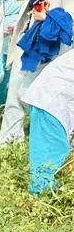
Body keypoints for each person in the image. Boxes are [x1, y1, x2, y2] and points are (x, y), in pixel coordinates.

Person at [0, 0, 74, 145]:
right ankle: (8, 141)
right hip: (28, 41)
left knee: (36, 95)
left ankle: (55, 139)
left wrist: (47, 15)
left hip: (49, 48)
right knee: (14, 90)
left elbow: (70, 18)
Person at [23, 46, 74, 194]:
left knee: (55, 156)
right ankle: (39, 208)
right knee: (47, 164)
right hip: (52, 101)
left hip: (56, 101)